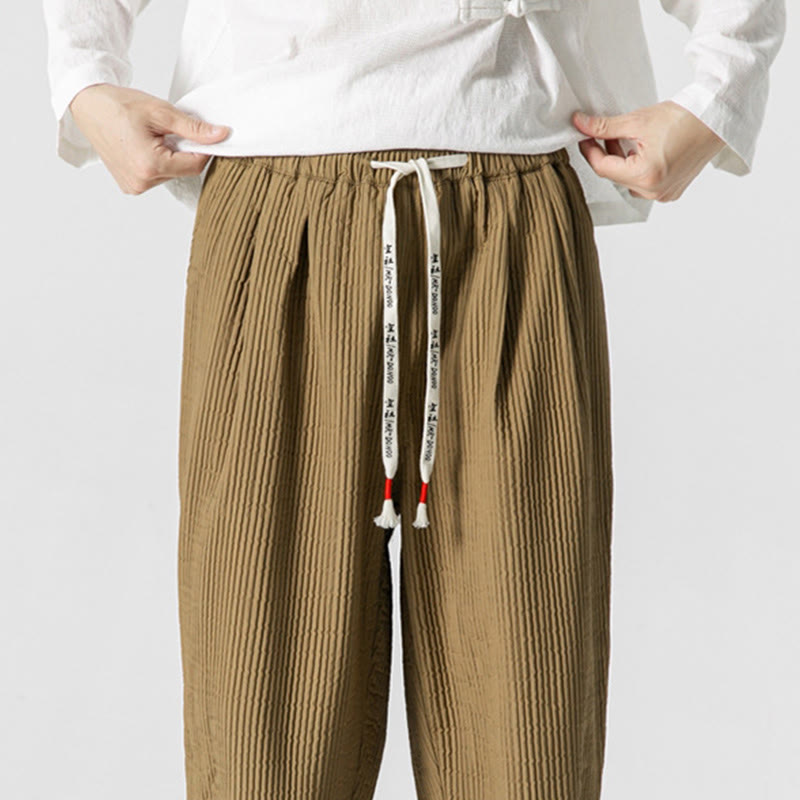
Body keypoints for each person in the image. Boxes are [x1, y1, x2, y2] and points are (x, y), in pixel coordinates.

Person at [42, 1, 786, 799]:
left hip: (511, 210)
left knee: (527, 748)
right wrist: (84, 78)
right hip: (275, 210)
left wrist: (721, 89)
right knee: (262, 749)